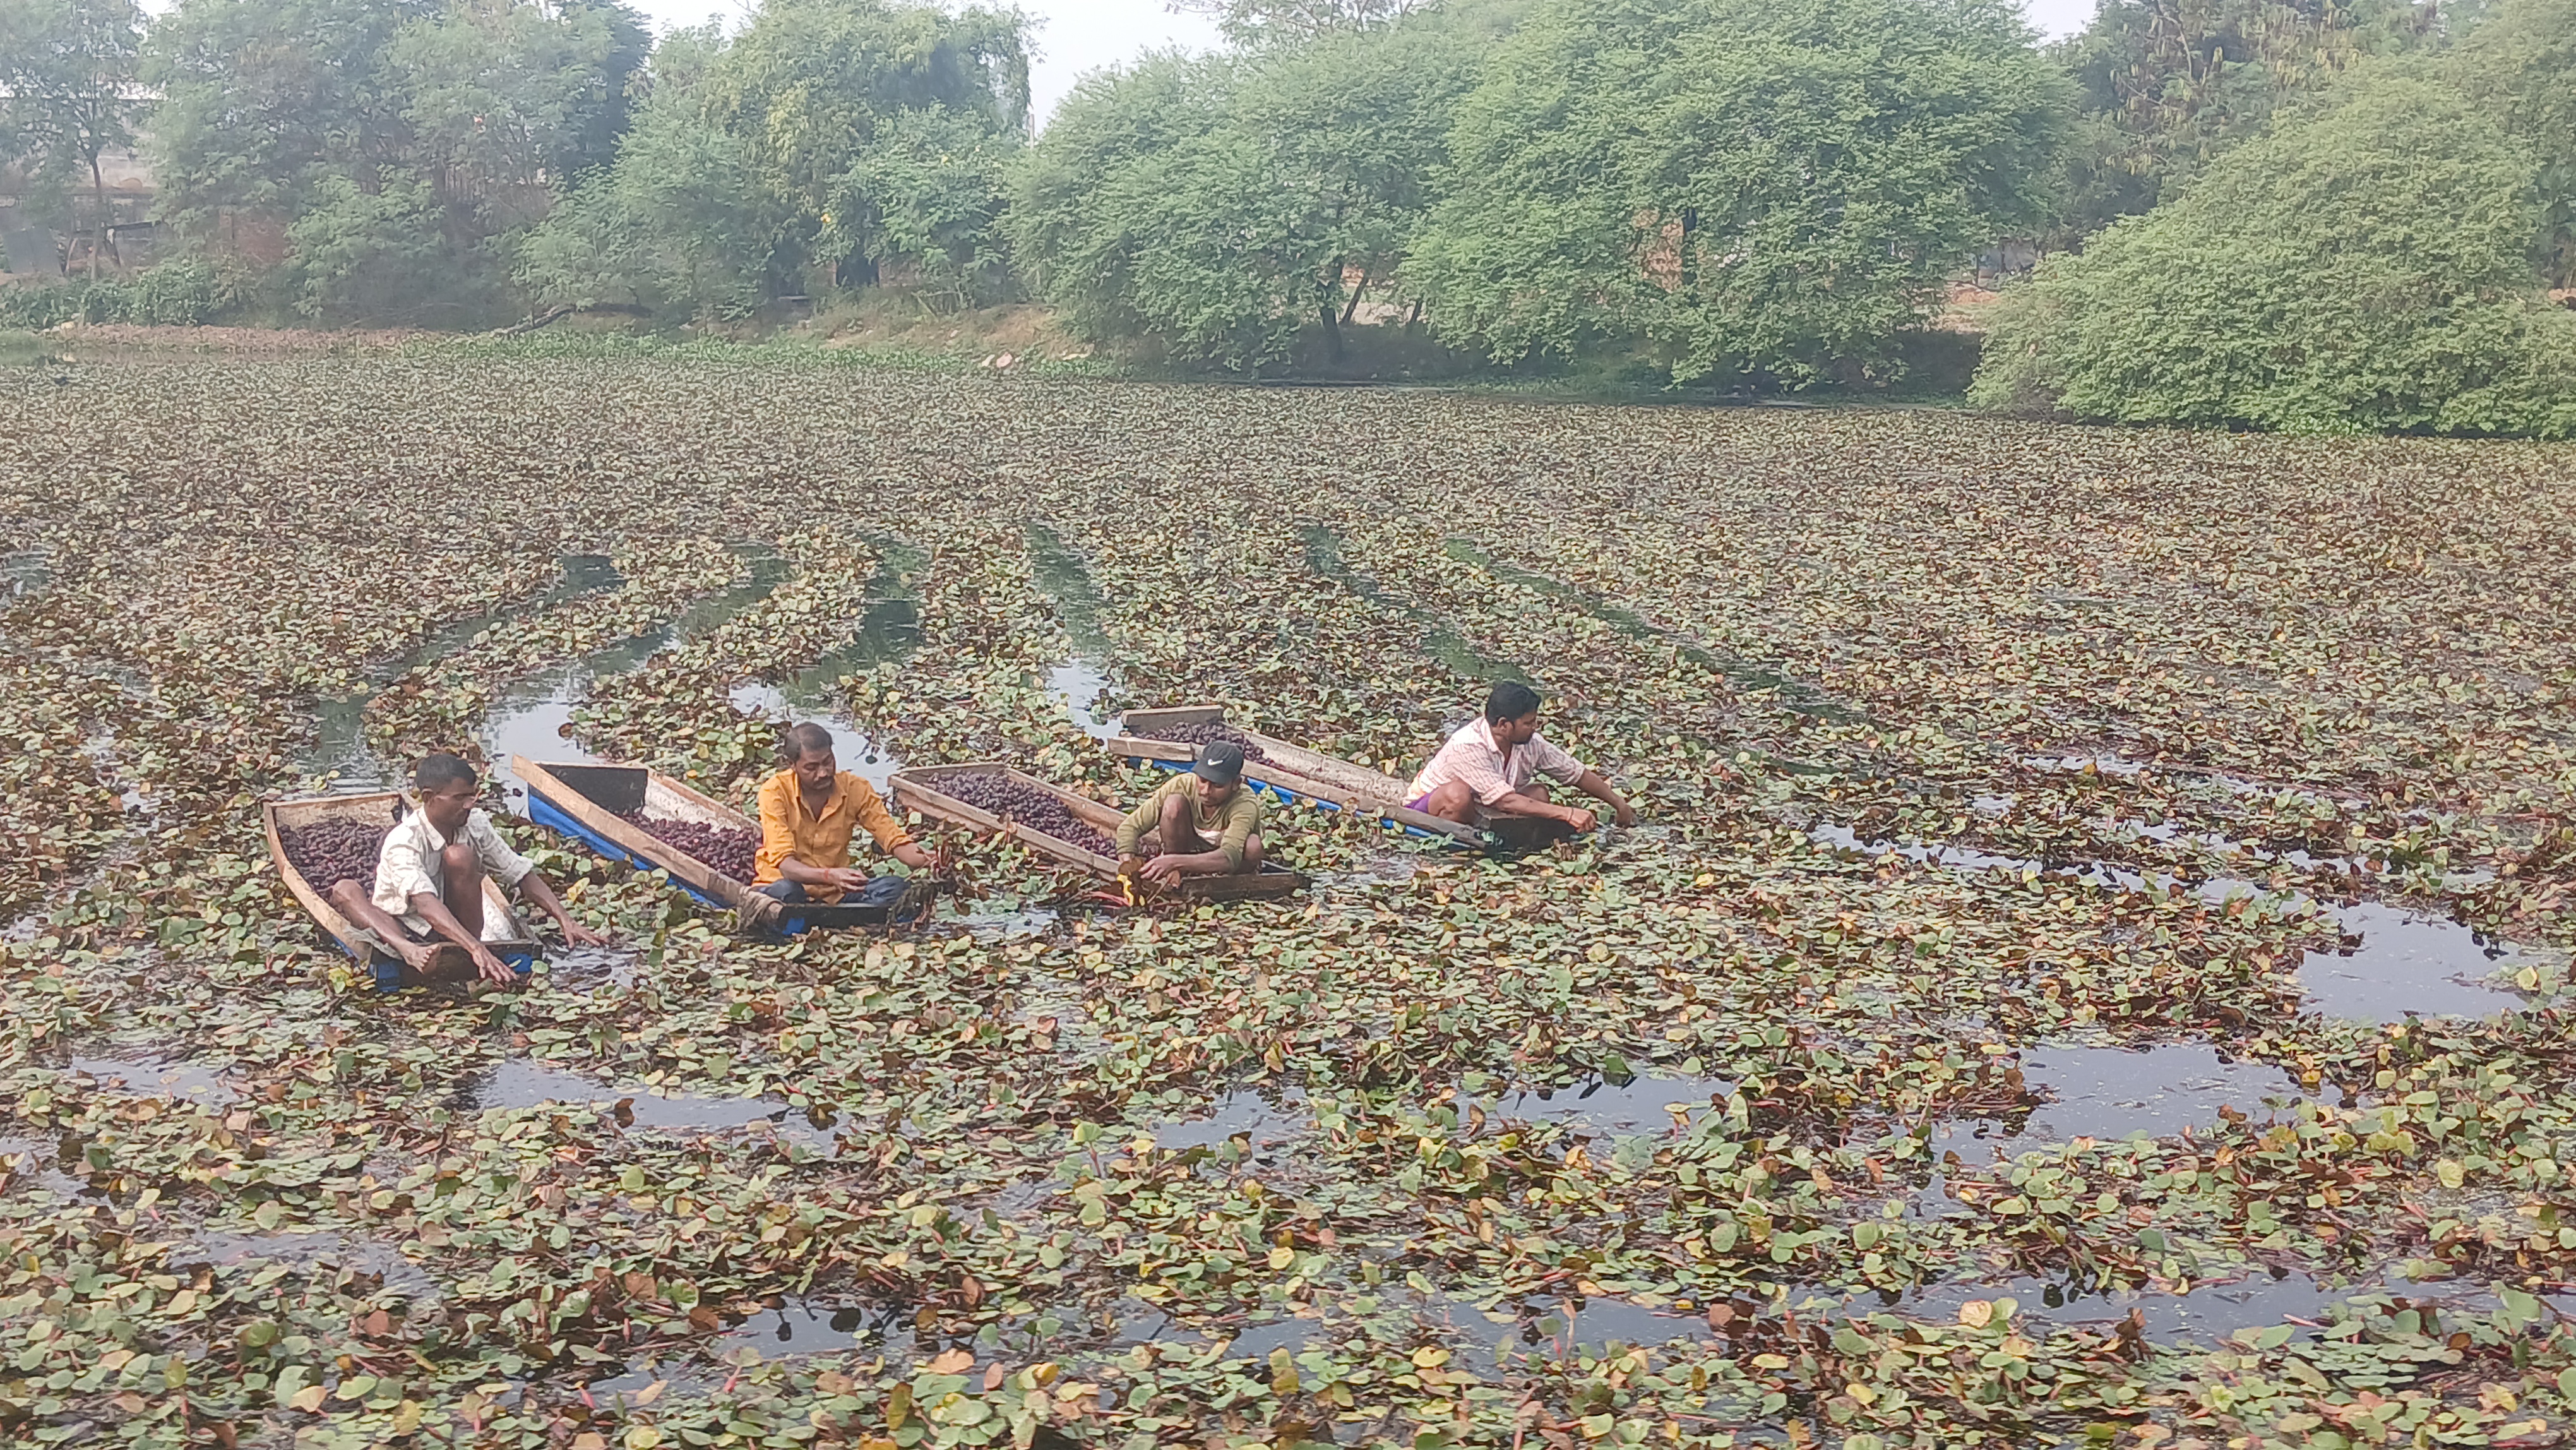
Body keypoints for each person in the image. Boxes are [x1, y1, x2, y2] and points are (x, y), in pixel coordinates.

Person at [330, 753, 609, 986]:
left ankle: (462, 946)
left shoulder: (475, 823)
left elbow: (519, 873)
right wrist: (476, 949)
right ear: (429, 797)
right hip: (404, 925)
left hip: (456, 926)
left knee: (460, 856)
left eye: (473, 795)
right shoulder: (404, 841)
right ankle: (408, 950)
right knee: (346, 890)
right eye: (460, 797)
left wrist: (564, 919)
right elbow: (425, 905)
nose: (470, 804)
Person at [749, 722, 933, 925]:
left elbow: (893, 839)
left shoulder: (856, 788)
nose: (823, 773)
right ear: (791, 764)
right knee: (787, 892)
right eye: (811, 767)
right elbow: (787, 866)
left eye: (828, 762)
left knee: (897, 889)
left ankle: (831, 918)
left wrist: (932, 861)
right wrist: (829, 875)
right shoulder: (775, 792)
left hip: (835, 892)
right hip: (783, 885)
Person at [1407, 680, 1637, 834]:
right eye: (1528, 723)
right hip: (1427, 806)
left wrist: (1619, 804)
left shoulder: (1529, 743)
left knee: (1539, 794)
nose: (1534, 727)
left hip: (1484, 807)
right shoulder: (1467, 745)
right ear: (1504, 725)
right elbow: (1505, 800)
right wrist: (1567, 813)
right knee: (1458, 795)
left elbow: (1575, 774)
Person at [1116, 741, 1265, 882]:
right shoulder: (1182, 785)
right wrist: (1128, 861)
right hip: (1187, 848)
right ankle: (1175, 870)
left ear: (1236, 784)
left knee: (1253, 846)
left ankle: (1232, 883)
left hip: (1222, 861)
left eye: (1217, 785)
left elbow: (1229, 856)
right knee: (1173, 804)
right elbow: (1130, 827)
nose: (1206, 791)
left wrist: (1174, 862)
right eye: (1202, 780)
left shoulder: (1244, 803)